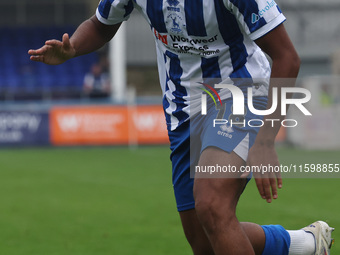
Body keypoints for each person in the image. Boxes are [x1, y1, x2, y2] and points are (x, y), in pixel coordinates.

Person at [28, 0, 334, 254]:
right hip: (183, 108)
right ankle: (305, 243)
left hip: (239, 92)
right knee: (204, 239)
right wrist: (72, 48)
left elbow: (287, 58)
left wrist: (266, 141)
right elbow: (100, 24)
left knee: (212, 204)